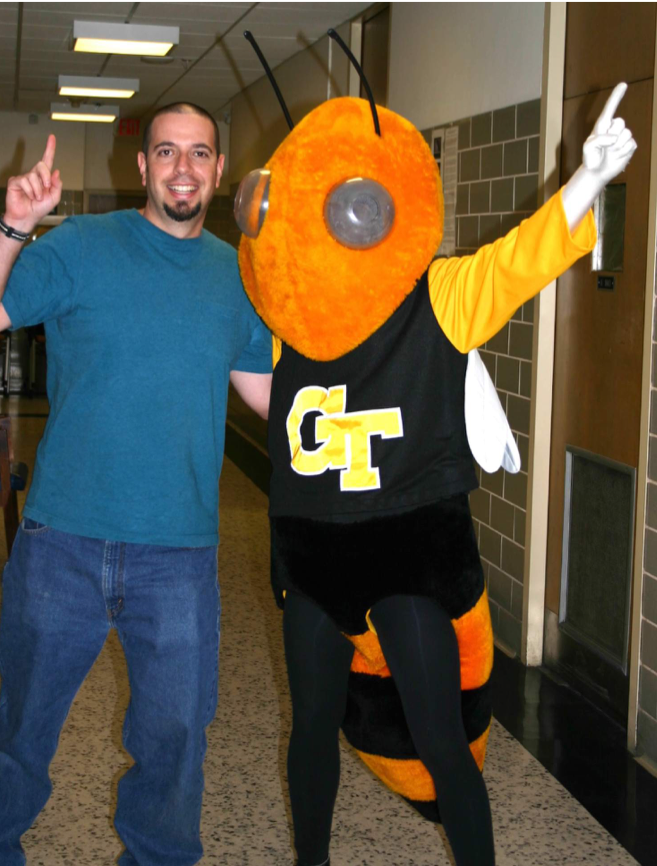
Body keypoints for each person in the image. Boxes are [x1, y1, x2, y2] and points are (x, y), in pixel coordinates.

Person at [234, 78, 636, 866]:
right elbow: (255, 384)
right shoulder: (286, 318)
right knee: (311, 725)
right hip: (314, 557)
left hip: (405, 557)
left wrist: (587, 180)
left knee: (443, 739)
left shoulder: (438, 297)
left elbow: (515, 262)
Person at [0, 102, 273, 866]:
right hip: (61, 540)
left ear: (219, 170)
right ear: (143, 166)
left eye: (199, 153)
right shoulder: (82, 247)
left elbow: (275, 398)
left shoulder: (239, 275)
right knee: (23, 726)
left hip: (180, 555)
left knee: (175, 741)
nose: (183, 168)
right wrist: (16, 223)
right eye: (167, 152)